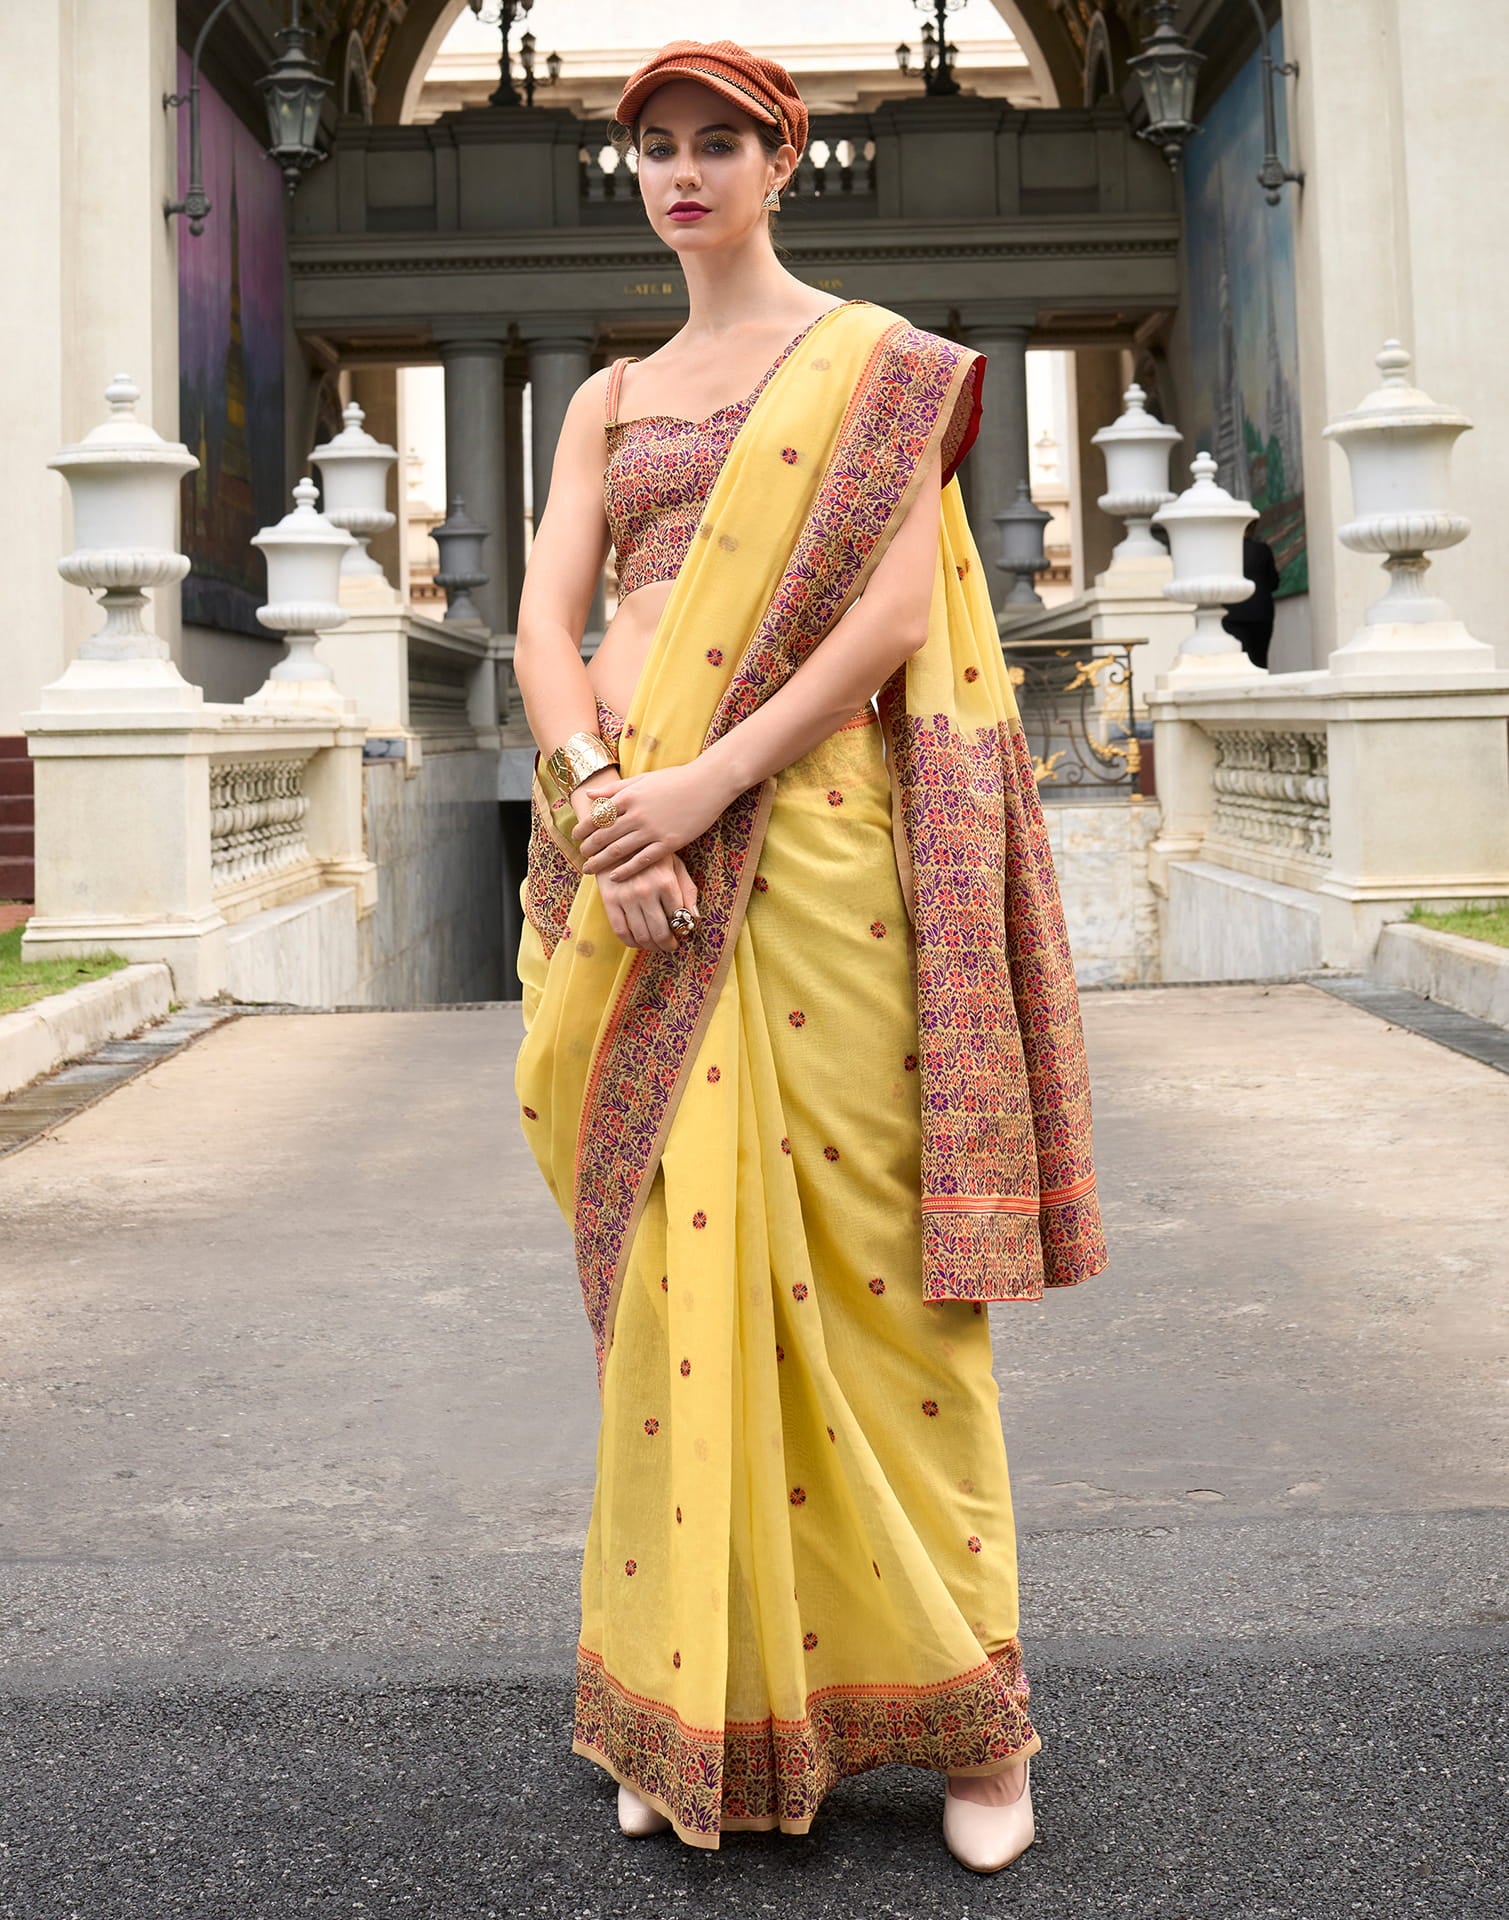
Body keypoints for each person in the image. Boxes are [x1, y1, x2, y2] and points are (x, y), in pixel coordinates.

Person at [511, 38, 1108, 1872]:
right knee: (671, 1306)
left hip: (820, 865)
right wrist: (600, 796)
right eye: (654, 149)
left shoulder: (874, 370)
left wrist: (694, 786)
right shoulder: (609, 397)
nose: (680, 172)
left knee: (876, 1287)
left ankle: (968, 1726)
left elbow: (886, 623)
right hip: (622, 868)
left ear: (785, 160)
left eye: (718, 144)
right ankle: (682, 1698)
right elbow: (545, 619)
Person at [1222, 532, 1282, 670]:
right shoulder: (1262, 549)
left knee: (1236, 661)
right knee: (1259, 660)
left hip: (1232, 613)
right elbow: (1273, 582)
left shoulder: (1224, 551)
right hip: (1260, 613)